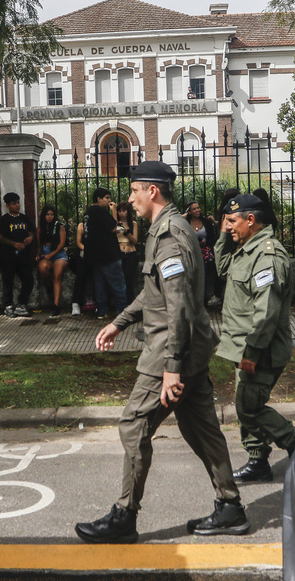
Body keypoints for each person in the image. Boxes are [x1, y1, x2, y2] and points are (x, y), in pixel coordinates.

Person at [75, 161, 248, 544]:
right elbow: (154, 293)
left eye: (134, 190)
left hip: (171, 352)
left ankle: (124, 516)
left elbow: (180, 307)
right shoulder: (164, 228)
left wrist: (172, 368)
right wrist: (119, 321)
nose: (129, 198)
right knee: (201, 427)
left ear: (152, 191)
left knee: (134, 424)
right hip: (188, 350)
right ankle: (231, 506)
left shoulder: (170, 234)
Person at [215, 193, 295, 483]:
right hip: (243, 346)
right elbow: (222, 266)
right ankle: (257, 461)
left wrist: (252, 352)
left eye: (233, 222)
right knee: (245, 404)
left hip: (260, 350)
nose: (228, 228)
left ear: (251, 220)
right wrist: (226, 230)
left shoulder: (267, 255)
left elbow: (266, 311)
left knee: (249, 407)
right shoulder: (246, 249)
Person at [84, 187, 127, 320]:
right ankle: (122, 311)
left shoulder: (88, 212)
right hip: (108, 254)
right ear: (99, 198)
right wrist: (113, 211)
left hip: (95, 256)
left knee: (100, 285)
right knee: (118, 284)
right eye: (107, 198)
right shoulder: (99, 211)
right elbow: (113, 227)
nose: (109, 201)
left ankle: (101, 311)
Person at [0, 192, 35, 318]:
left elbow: (31, 232)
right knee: (8, 281)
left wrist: (30, 238)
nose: (17, 205)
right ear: (7, 205)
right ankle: (8, 306)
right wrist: (13, 244)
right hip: (8, 256)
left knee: (29, 279)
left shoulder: (24, 218)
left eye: (18, 202)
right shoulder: (4, 220)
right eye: (14, 203)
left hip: (24, 256)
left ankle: (22, 304)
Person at [183, 201, 218, 304]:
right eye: (194, 209)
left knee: (204, 270)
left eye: (198, 208)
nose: (198, 210)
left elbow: (212, 237)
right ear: (189, 211)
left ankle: (203, 297)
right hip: (191, 250)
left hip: (205, 251)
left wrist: (205, 242)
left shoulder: (206, 222)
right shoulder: (186, 223)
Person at [37, 205, 69, 316]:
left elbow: (62, 244)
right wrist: (38, 254)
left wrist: (52, 254)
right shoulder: (40, 227)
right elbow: (38, 244)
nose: (50, 217)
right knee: (43, 269)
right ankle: (50, 287)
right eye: (47, 214)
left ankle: (56, 305)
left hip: (58, 253)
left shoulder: (59, 226)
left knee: (57, 276)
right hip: (45, 252)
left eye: (52, 214)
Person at [115, 201, 140, 302]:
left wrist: (127, 232)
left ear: (128, 212)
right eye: (119, 211)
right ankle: (119, 303)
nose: (121, 213)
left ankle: (130, 302)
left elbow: (135, 241)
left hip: (130, 253)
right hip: (119, 253)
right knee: (119, 279)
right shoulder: (114, 224)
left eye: (124, 211)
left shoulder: (133, 224)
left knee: (128, 279)